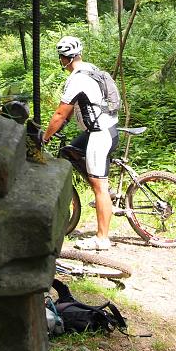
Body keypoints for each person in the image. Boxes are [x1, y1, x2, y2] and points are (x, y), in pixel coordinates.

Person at [42, 36, 119, 251]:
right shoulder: (91, 69)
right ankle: (105, 189)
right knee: (70, 150)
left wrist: (45, 137)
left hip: (99, 134)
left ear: (63, 59)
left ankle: (102, 238)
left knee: (99, 186)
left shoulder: (77, 79)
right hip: (107, 128)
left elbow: (60, 114)